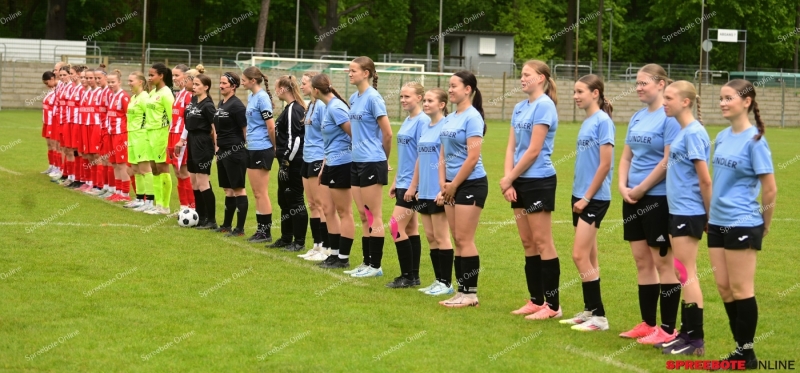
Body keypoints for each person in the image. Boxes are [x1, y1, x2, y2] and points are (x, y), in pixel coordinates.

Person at [708, 79, 776, 368]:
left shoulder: (756, 141)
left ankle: (746, 354)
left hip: (742, 222)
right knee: (724, 287)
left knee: (741, 289)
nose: (723, 103)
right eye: (721, 98)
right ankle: (741, 350)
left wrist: (764, 223)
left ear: (746, 102)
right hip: (716, 222)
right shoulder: (722, 136)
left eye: (728, 98)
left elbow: (770, 189)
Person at [617, 64, 682, 345]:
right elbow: (626, 157)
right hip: (632, 198)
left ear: (661, 84)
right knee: (642, 261)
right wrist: (623, 186)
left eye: (644, 83)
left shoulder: (669, 118)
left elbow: (667, 161)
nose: (639, 87)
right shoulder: (637, 116)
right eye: (637, 83)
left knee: (663, 262)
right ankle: (648, 323)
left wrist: (642, 188)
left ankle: (668, 329)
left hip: (657, 199)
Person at [652, 80, 712, 355]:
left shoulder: (693, 134)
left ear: (685, 101)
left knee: (687, 274)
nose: (664, 102)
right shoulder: (684, 131)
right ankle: (686, 334)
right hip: (678, 211)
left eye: (669, 97)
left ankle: (694, 339)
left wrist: (711, 215)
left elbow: (705, 180)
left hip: (689, 212)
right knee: (681, 271)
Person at [504, 60, 562, 320]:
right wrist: (509, 179)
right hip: (518, 181)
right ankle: (536, 300)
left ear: (541, 78)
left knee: (542, 242)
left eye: (527, 74)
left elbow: (534, 150)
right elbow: (511, 147)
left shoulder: (545, 106)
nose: (522, 78)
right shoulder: (519, 108)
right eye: (521, 74)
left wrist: (509, 179)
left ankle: (553, 305)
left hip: (539, 181)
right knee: (528, 243)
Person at [559, 74, 615, 331]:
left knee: (579, 254)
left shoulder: (603, 121)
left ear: (596, 93)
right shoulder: (588, 120)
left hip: (593, 198)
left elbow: (605, 164)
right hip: (580, 195)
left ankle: (600, 318)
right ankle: (589, 310)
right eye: (574, 91)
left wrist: (586, 197)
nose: (575, 95)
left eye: (580, 91)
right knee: (590, 257)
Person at [437, 70, 487, 308]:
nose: (450, 89)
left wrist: (454, 184)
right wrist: (443, 184)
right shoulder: (449, 118)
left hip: (470, 183)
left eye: (454, 85)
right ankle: (461, 291)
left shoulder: (473, 117)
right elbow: (443, 153)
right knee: (457, 238)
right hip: (450, 185)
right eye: (449, 85)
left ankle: (470, 294)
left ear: (468, 89)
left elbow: (473, 157)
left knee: (465, 239)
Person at [346, 56, 393, 278]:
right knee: (363, 215)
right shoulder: (354, 98)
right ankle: (366, 263)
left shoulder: (374, 98)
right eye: (349, 70)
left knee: (374, 215)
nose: (350, 73)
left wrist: (383, 159)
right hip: (356, 161)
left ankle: (376, 266)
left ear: (366, 73)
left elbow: (387, 133)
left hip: (372, 161)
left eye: (354, 70)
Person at [311, 74, 356, 270]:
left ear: (315, 91)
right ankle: (334, 254)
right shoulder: (329, 107)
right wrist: (324, 166)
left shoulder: (336, 107)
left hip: (343, 163)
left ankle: (343, 257)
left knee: (344, 211)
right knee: (328, 209)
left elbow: (355, 134)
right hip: (331, 163)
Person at [386, 82, 427, 288]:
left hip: (414, 184)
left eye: (407, 97)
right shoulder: (408, 119)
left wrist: (413, 186)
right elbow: (406, 156)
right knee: (410, 229)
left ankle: (408, 276)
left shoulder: (423, 121)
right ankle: (413, 276)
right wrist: (396, 181)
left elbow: (423, 155)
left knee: (395, 226)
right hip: (403, 182)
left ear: (419, 97)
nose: (403, 100)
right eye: (401, 96)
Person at [414, 88, 454, 296]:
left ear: (442, 105)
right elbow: (420, 158)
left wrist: (443, 188)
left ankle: (446, 284)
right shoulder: (425, 126)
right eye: (425, 100)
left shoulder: (446, 127)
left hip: (438, 191)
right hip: (425, 192)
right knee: (430, 236)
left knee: (441, 236)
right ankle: (438, 280)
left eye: (430, 100)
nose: (426, 103)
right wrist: (416, 187)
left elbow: (449, 159)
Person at [175, 69, 218, 229]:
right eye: (193, 84)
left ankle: (212, 220)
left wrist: (217, 147)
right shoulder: (193, 100)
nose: (194, 87)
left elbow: (215, 127)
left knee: (203, 182)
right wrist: (181, 140)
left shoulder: (208, 106)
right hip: (191, 142)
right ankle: (201, 217)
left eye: (197, 85)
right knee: (194, 182)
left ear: (206, 87)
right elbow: (188, 123)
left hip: (202, 143)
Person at [297, 72, 331, 261]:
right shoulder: (310, 105)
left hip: (318, 158)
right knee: (312, 204)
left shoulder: (323, 107)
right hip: (307, 158)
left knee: (321, 204)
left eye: (304, 83)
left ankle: (326, 247)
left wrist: (325, 161)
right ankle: (317, 245)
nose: (301, 87)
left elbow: (327, 135)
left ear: (314, 86)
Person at [272, 75, 308, 252]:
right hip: (285, 162)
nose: (274, 90)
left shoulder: (295, 109)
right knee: (284, 200)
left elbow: (295, 140)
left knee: (295, 201)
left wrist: (286, 162)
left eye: (276, 86)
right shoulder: (289, 108)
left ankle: (299, 241)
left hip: (293, 163)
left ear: (284, 89)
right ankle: (286, 238)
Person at [241, 66, 276, 243]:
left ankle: (265, 232)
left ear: (253, 80)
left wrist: (275, 146)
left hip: (262, 148)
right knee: (256, 191)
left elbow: (271, 126)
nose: (242, 82)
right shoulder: (251, 96)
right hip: (253, 147)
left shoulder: (262, 98)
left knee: (261, 192)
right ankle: (260, 230)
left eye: (244, 79)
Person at [212, 72, 249, 236]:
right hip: (222, 151)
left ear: (233, 86)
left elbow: (245, 130)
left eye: (224, 83)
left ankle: (239, 229)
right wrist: (217, 147)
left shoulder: (237, 106)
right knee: (228, 189)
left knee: (238, 189)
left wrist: (244, 148)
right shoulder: (221, 103)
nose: (221, 86)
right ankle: (226, 224)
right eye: (220, 83)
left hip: (235, 152)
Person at [142, 63, 175, 215]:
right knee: (154, 168)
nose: (149, 78)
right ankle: (157, 204)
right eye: (148, 75)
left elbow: (171, 118)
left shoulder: (167, 94)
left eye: (152, 75)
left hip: (161, 134)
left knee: (162, 168)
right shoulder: (153, 92)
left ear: (161, 76)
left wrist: (170, 139)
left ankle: (165, 206)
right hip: (149, 133)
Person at [124, 72, 153, 210]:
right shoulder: (133, 98)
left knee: (144, 169)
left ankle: (150, 201)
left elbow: (151, 117)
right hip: (132, 136)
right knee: (135, 169)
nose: (129, 83)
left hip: (142, 136)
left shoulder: (145, 98)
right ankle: (140, 199)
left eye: (131, 81)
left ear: (140, 82)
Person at [169, 64, 195, 210]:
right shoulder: (179, 94)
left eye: (177, 75)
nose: (174, 78)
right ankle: (183, 206)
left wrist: (183, 139)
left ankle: (191, 206)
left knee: (184, 172)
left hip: (181, 137)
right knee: (178, 172)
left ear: (186, 76)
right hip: (172, 135)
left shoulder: (190, 95)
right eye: (172, 75)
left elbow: (188, 120)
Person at [104, 69, 132, 202]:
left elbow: (130, 117)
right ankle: (118, 191)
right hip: (111, 134)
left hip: (120, 134)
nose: (110, 84)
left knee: (122, 165)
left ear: (119, 82)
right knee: (114, 164)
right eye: (108, 82)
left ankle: (125, 193)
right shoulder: (110, 95)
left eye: (113, 82)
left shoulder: (124, 96)